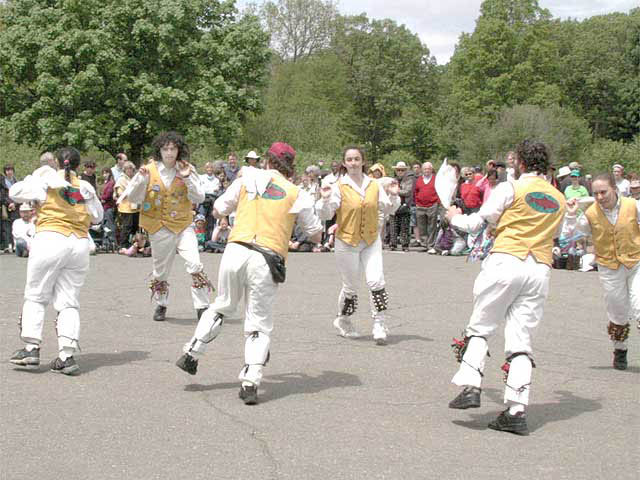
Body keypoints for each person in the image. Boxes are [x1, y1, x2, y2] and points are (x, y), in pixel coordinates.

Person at [176, 141, 323, 405]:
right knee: (258, 321)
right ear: (291, 165)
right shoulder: (295, 192)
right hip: (267, 256)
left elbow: (218, 208)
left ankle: (192, 352)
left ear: (267, 160)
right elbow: (314, 232)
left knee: (222, 305)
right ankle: (250, 381)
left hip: (236, 249)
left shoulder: (246, 179)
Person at [445, 140, 566, 436]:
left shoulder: (510, 188)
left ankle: (472, 385)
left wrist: (452, 217)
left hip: (506, 261)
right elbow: (557, 234)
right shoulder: (558, 198)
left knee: (481, 326)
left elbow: (477, 224)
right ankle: (516, 410)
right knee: (521, 339)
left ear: (521, 164)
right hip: (539, 267)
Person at [8, 147, 104, 375]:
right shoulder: (85, 186)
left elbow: (14, 192)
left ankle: (31, 348)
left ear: (58, 163)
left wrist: (37, 175)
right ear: (79, 165)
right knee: (69, 301)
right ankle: (67, 355)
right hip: (79, 243)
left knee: (36, 295)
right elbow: (98, 217)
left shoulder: (48, 179)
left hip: (50, 237)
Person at [123, 131, 211, 322]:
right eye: (165, 149)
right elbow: (133, 198)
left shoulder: (188, 169)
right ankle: (161, 303)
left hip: (183, 224)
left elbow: (199, 197)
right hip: (159, 226)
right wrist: (139, 180)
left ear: (179, 150)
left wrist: (187, 178)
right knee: (161, 270)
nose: (169, 152)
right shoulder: (149, 170)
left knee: (195, 263)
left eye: (173, 148)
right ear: (159, 151)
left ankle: (202, 306)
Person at [316, 146, 400, 344]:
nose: (353, 163)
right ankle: (343, 320)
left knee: (376, 281)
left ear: (363, 161)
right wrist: (325, 199)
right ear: (344, 163)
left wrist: (394, 195)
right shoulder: (339, 186)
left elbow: (389, 208)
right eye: (349, 159)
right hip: (346, 241)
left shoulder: (374, 185)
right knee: (350, 286)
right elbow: (326, 214)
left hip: (371, 239)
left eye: (357, 159)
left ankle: (379, 323)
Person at [562, 173, 639, 370]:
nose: (599, 197)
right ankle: (620, 349)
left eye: (603, 192)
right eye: (595, 193)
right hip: (609, 267)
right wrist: (571, 214)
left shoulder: (633, 205)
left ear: (614, 188)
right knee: (618, 311)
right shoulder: (590, 214)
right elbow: (571, 233)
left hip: (636, 262)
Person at [414, 161, 440, 253]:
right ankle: (424, 244)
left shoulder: (436, 179)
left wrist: (437, 202)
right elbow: (416, 191)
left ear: (431, 169)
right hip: (420, 205)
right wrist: (417, 202)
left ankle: (431, 244)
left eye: (429, 169)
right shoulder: (419, 179)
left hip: (432, 205)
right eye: (425, 168)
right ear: (422, 170)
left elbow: (440, 191)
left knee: (432, 226)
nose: (427, 170)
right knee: (421, 226)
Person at [388, 161, 414, 251]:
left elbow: (407, 192)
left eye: (402, 170)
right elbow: (388, 191)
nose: (400, 172)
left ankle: (405, 245)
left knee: (404, 227)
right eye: (398, 170)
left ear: (405, 171)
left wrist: (396, 191)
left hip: (404, 205)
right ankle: (393, 244)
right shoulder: (392, 180)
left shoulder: (409, 180)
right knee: (393, 226)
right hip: (393, 205)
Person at [114, 161, 139, 247]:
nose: (129, 171)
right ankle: (123, 244)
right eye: (127, 169)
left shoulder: (135, 179)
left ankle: (133, 242)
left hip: (136, 206)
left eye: (131, 169)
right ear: (124, 170)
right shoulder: (122, 179)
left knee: (135, 226)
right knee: (127, 226)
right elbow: (120, 193)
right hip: (126, 206)